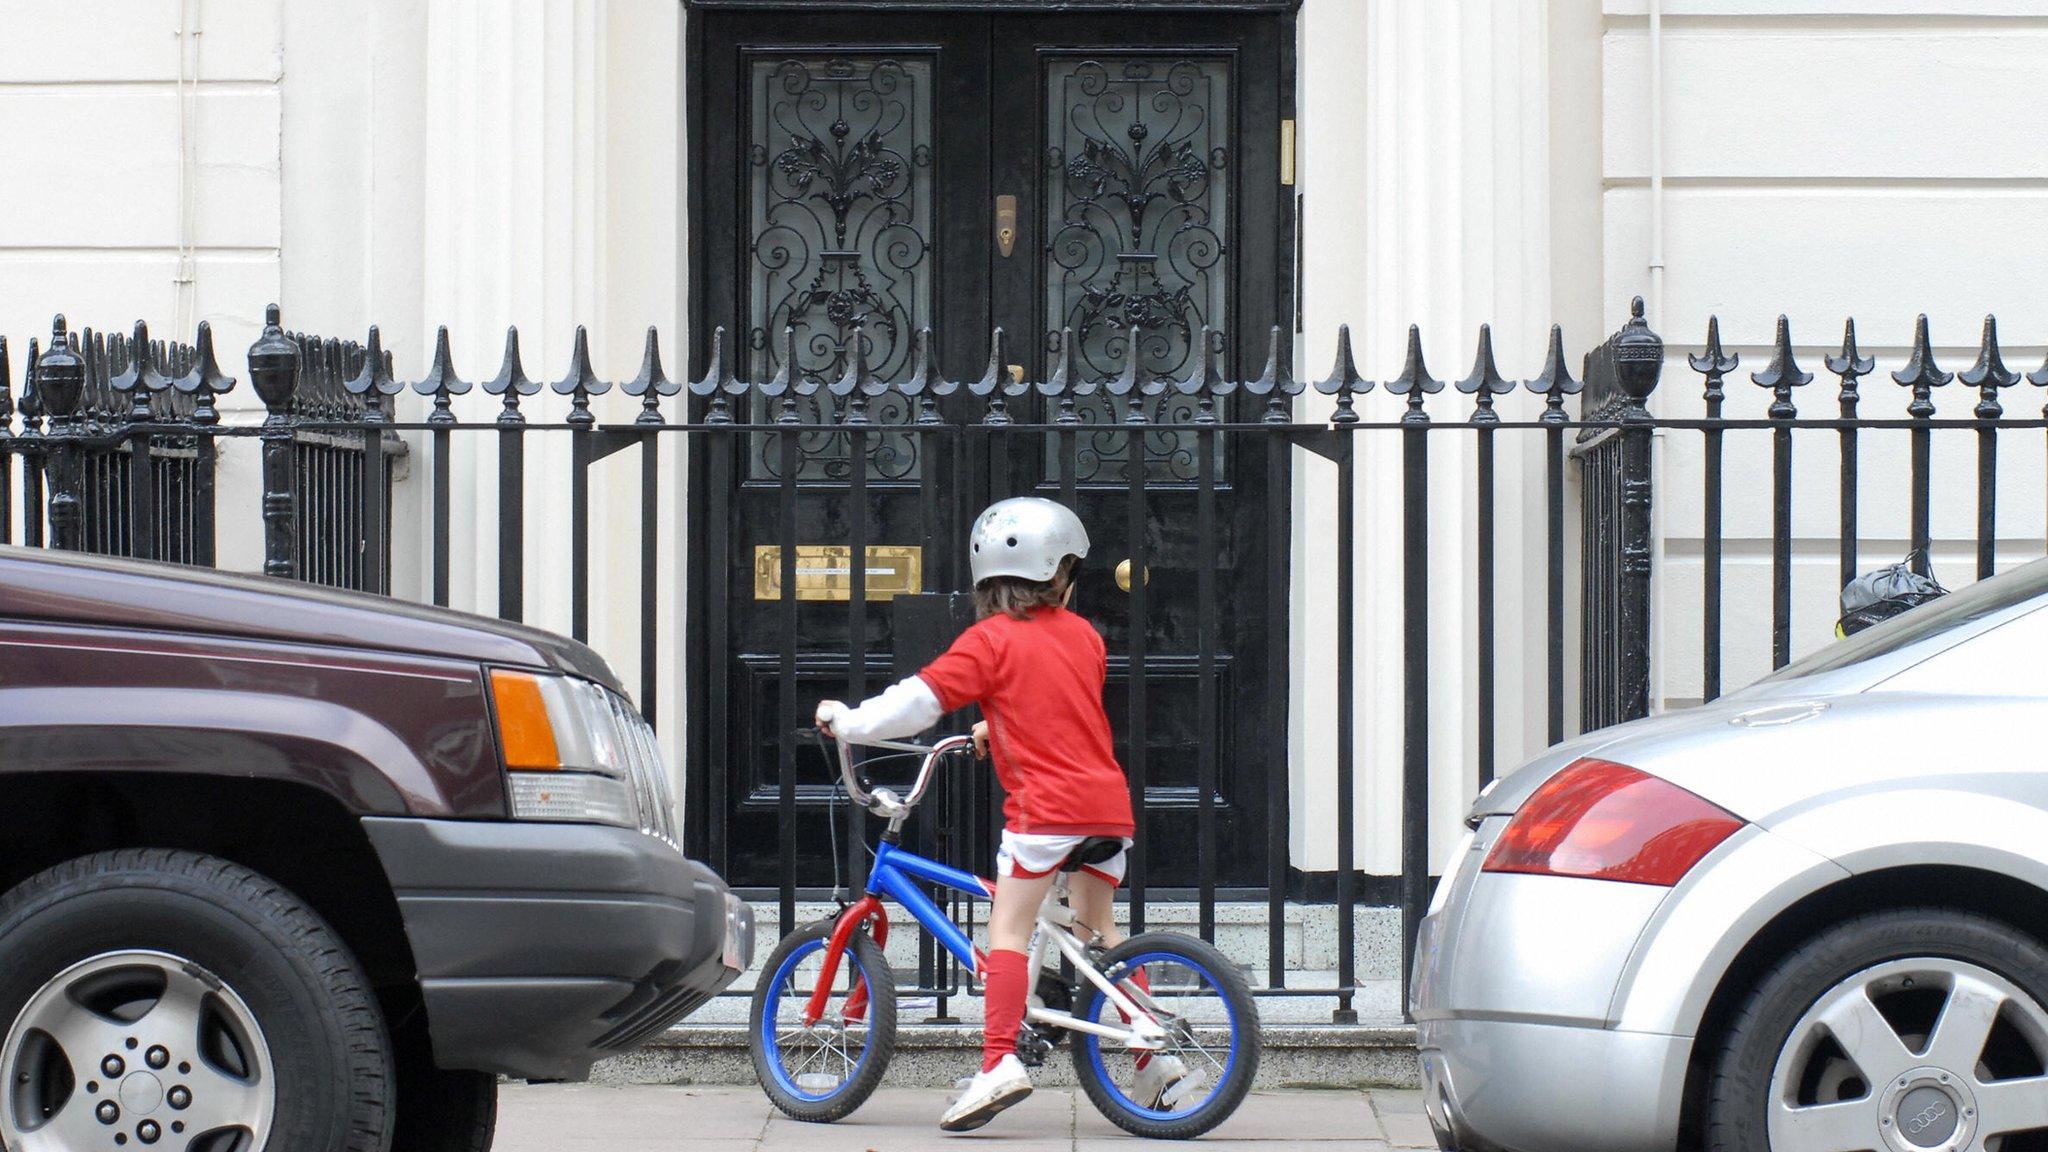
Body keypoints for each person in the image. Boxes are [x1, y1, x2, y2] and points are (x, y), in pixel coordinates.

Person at [815, 497, 1190, 1132]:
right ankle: (1151, 1054)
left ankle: (998, 1063)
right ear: (1056, 575)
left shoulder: (989, 640)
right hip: (1106, 806)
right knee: (1102, 932)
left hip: (1045, 810)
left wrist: (847, 721)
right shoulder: (1085, 637)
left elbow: (918, 704)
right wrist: (996, 721)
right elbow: (1055, 701)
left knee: (1008, 932)